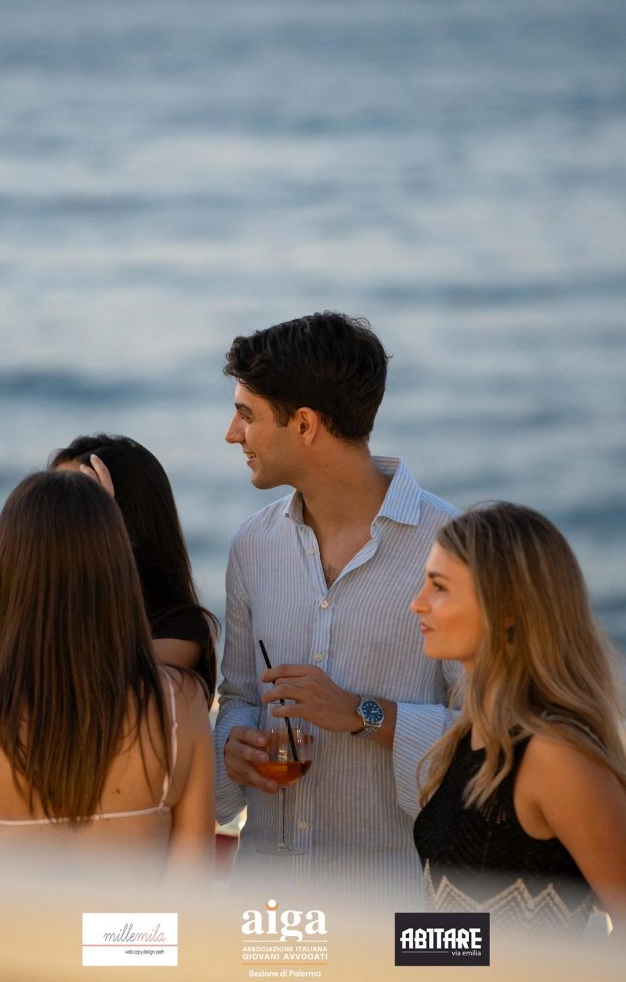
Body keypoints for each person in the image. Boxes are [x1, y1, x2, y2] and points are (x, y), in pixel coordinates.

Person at [214, 311, 460, 894]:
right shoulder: (252, 544)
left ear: (304, 424)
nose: (232, 433)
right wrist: (235, 745)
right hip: (268, 902)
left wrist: (361, 713)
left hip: (393, 903)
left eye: (247, 414)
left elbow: (486, 738)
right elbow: (240, 696)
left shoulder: (450, 547)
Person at [0, 471, 214, 876]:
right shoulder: (181, 704)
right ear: (120, 573)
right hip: (135, 922)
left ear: (4, 570)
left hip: (13, 923)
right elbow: (191, 889)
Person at [411, 502, 626, 933]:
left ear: (507, 607)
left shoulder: (554, 754)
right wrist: (375, 952)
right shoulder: (470, 737)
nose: (417, 604)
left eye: (439, 587)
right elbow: (466, 942)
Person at [49, 434, 217, 704]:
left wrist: (100, 538)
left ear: (127, 517)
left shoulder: (180, 629)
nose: (52, 518)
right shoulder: (41, 607)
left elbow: (91, 680)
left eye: (74, 504)